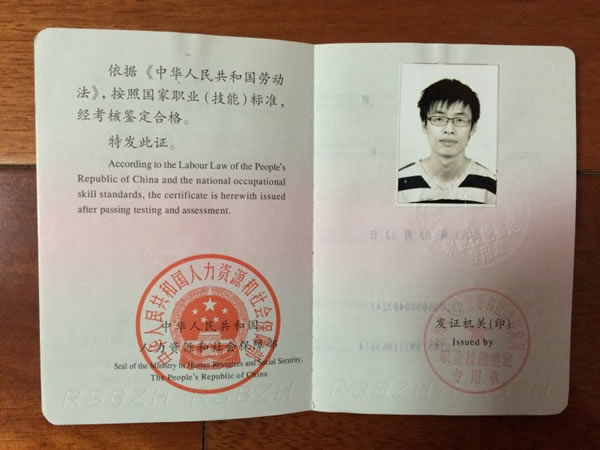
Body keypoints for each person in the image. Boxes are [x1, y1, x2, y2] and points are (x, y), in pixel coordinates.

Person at [397, 78, 496, 204]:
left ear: (473, 128)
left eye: (459, 120)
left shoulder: (490, 185)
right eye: (439, 119)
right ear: (424, 124)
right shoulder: (400, 183)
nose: (449, 130)